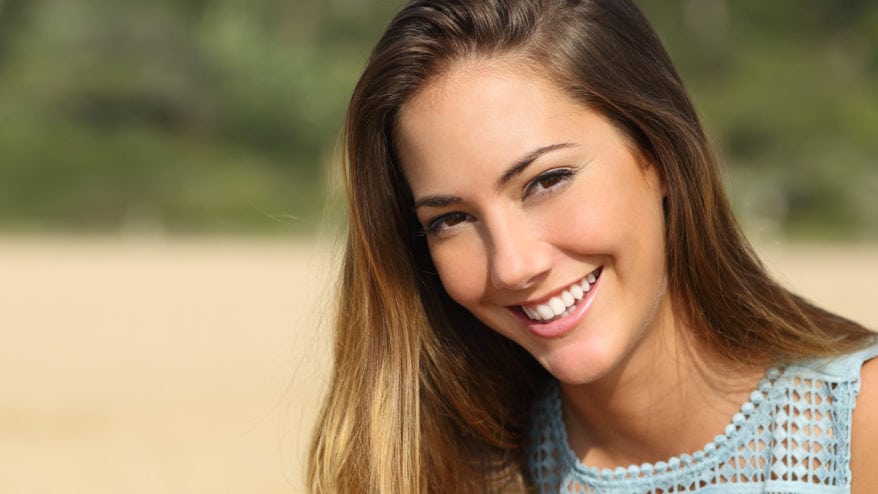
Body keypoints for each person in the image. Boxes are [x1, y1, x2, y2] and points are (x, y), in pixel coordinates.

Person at [308, 0, 878, 492]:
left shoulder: (859, 429)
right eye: (451, 219)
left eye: (546, 181)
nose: (513, 266)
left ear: (657, 153)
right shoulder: (448, 466)